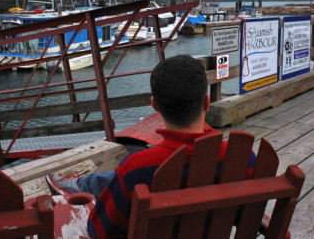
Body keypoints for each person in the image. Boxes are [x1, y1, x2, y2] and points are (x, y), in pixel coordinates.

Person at [45, 54, 256, 238]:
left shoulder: (137, 168)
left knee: (120, 180)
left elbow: (101, 230)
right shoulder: (244, 158)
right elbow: (247, 218)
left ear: (154, 105)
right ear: (207, 103)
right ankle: (85, 184)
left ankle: (82, 186)